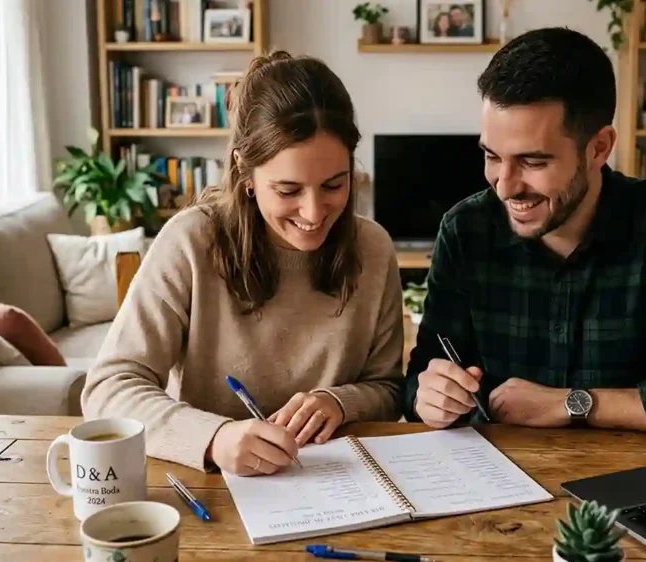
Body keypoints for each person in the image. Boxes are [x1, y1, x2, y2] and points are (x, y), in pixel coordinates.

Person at [402, 27, 646, 441]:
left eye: (533, 161)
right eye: (491, 156)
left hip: (629, 482)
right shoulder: (464, 230)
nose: (504, 185)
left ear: (598, 148)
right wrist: (428, 394)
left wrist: (574, 403)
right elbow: (421, 376)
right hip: (494, 477)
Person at [82, 51, 405, 476]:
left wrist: (340, 402)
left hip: (335, 481)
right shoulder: (191, 241)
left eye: (334, 184)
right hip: (214, 485)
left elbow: (387, 387)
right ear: (245, 171)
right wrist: (213, 438)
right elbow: (109, 388)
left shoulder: (373, 248)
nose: (313, 213)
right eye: (288, 190)